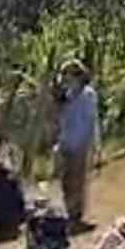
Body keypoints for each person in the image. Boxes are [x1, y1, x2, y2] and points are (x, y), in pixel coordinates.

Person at [54, 60, 100, 231]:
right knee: (66, 182)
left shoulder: (88, 95)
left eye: (68, 75)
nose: (65, 79)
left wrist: (94, 144)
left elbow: (91, 121)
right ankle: (69, 215)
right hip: (66, 142)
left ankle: (76, 217)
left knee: (78, 183)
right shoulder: (67, 94)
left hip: (80, 144)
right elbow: (61, 120)